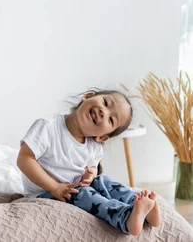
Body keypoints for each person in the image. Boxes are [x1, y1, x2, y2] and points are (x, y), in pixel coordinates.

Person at [16, 89, 161, 236]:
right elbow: (24, 159)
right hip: (45, 192)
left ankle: (139, 205)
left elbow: (92, 166)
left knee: (103, 180)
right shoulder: (48, 126)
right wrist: (55, 187)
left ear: (102, 137)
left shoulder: (94, 146)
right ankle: (125, 218)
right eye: (105, 103)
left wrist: (91, 174)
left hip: (75, 186)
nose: (104, 112)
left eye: (111, 120)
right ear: (87, 96)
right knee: (85, 194)